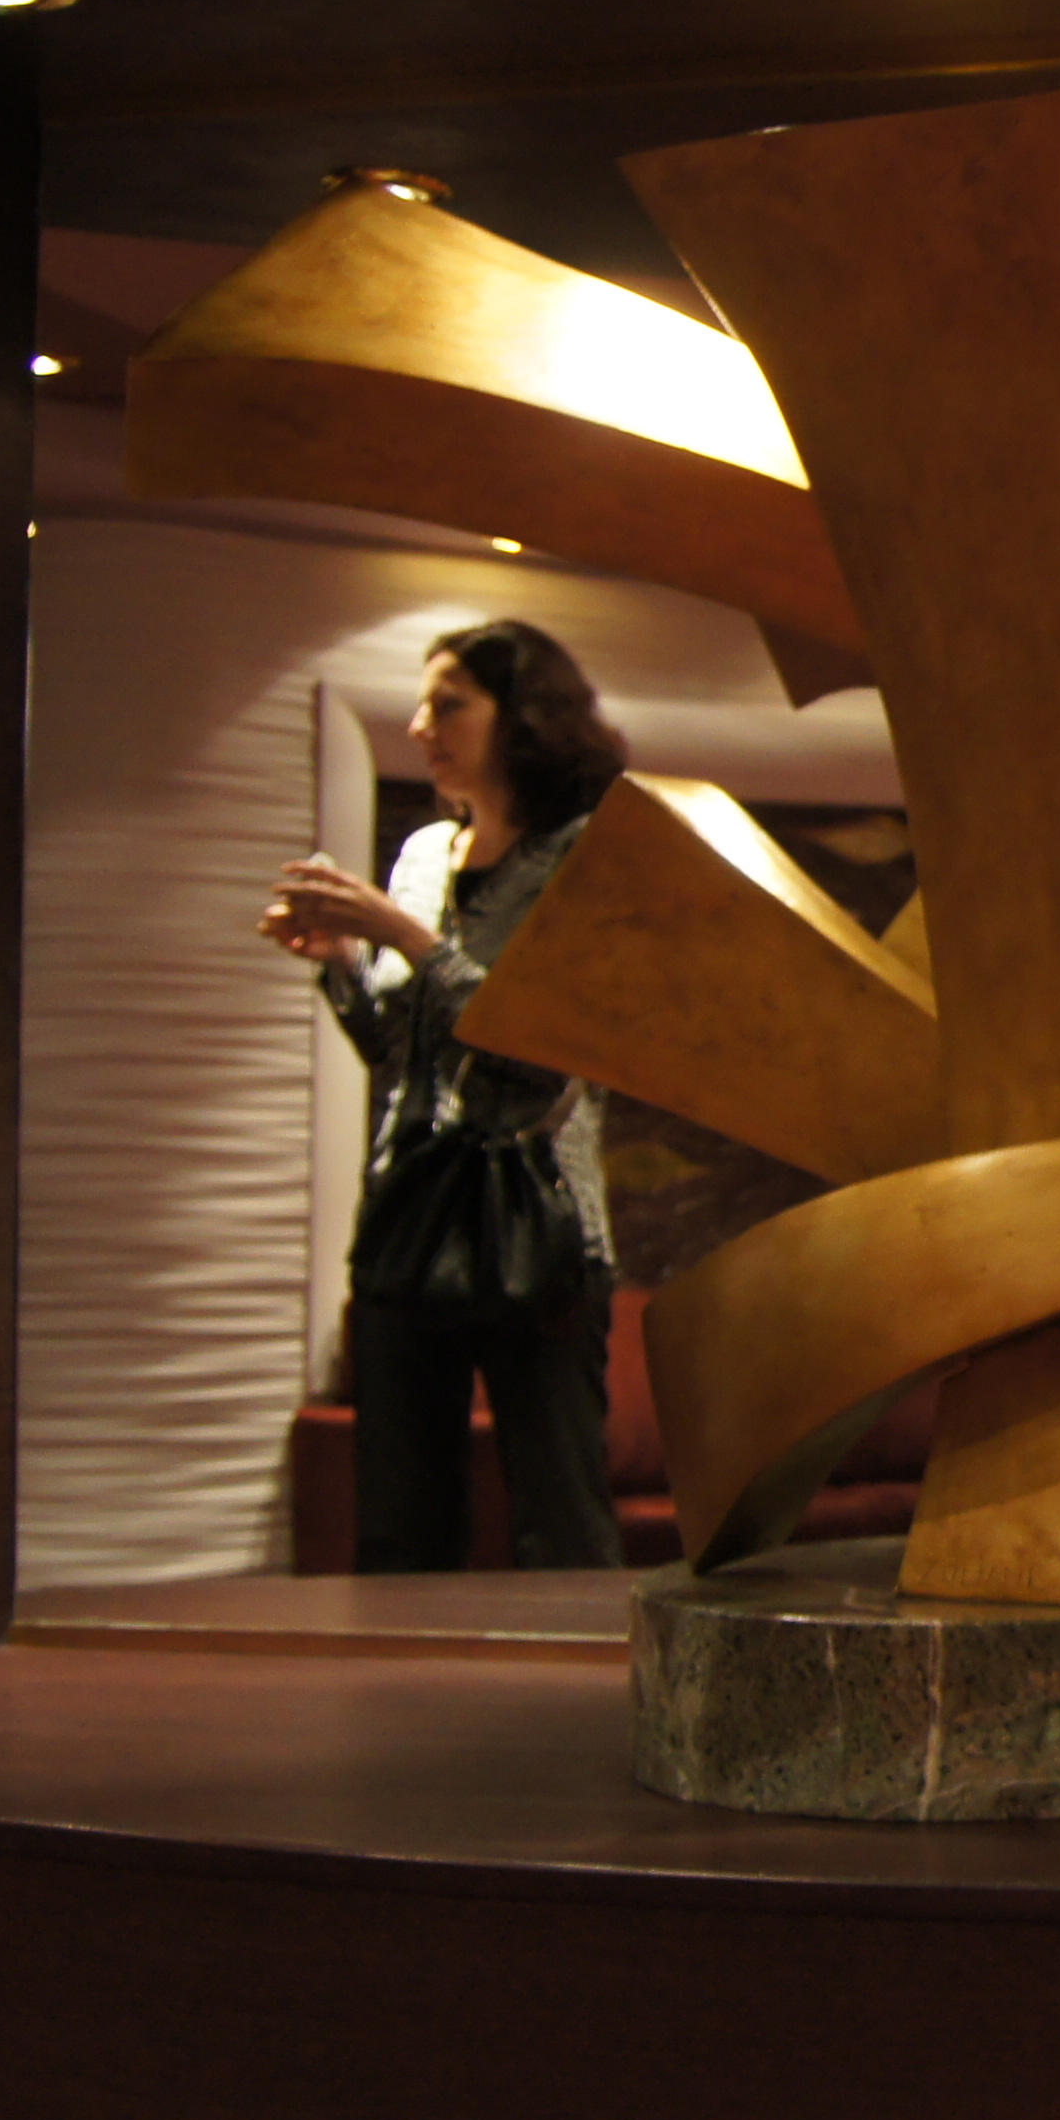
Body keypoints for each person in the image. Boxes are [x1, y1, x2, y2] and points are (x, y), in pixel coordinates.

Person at [259, 619, 633, 1573]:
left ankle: (575, 1675)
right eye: (423, 705)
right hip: (413, 1214)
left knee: (560, 1521)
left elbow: (536, 1060)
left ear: (523, 716)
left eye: (450, 704)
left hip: (541, 1222)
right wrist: (342, 959)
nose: (422, 726)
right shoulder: (428, 854)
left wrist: (410, 939)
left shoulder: (586, 856)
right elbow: (400, 1052)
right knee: (399, 1527)